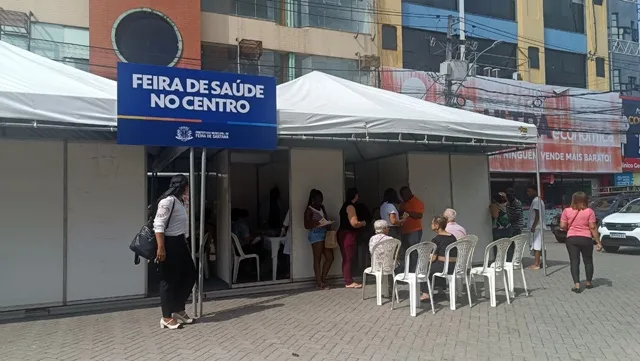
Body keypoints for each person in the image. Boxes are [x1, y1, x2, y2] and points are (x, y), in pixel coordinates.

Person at [153, 174, 196, 330]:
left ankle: (178, 308)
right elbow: (158, 224)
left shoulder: (179, 202)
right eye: (187, 186)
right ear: (182, 186)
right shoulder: (168, 201)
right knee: (168, 280)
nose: (188, 189)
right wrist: (161, 247)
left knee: (190, 274)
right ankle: (166, 317)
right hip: (168, 243)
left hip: (180, 242)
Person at [559, 192, 602, 293]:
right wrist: (598, 242)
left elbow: (562, 226)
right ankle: (588, 283)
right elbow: (592, 227)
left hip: (571, 239)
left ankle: (577, 285)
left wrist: (567, 226)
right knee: (588, 261)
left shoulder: (566, 211)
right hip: (586, 239)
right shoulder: (589, 211)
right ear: (585, 200)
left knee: (574, 261)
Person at [420, 216, 458, 302]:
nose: (431, 225)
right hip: (453, 266)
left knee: (425, 268)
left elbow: (433, 257)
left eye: (432, 223)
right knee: (436, 266)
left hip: (443, 267)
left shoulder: (436, 239)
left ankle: (426, 293)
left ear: (437, 225)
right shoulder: (452, 237)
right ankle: (441, 290)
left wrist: (425, 260)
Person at [304, 189, 333, 290]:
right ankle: (319, 282)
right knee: (317, 258)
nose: (320, 201)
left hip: (324, 233)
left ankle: (323, 279)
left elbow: (325, 218)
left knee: (330, 257)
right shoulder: (309, 210)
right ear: (313, 199)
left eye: (321, 199)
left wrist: (328, 223)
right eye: (318, 199)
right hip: (316, 234)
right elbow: (306, 225)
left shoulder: (322, 207)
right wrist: (314, 222)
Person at [338, 188, 367, 289]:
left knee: (346, 257)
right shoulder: (350, 206)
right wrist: (362, 223)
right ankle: (348, 281)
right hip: (348, 235)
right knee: (348, 258)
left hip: (343, 234)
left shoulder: (344, 206)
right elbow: (354, 223)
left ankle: (348, 279)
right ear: (355, 195)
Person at [399, 186, 424, 268]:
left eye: (403, 195)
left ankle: (414, 271)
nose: (402, 197)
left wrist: (407, 212)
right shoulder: (403, 203)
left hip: (414, 231)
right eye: (401, 195)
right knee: (406, 251)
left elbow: (419, 215)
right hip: (404, 231)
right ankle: (408, 269)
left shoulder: (417, 202)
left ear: (408, 193)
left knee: (413, 251)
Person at [526, 185, 545, 270]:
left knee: (537, 246)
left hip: (537, 227)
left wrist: (533, 226)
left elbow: (537, 215)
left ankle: (536, 264)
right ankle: (541, 262)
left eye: (530, 191)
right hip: (538, 227)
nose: (528, 193)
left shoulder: (536, 201)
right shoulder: (538, 200)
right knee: (540, 245)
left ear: (535, 191)